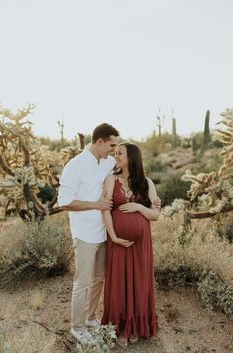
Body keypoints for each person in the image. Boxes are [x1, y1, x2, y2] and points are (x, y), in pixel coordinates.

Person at [57, 123, 132, 343]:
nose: (113, 149)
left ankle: (90, 318)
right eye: (111, 144)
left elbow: (128, 175)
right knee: (83, 282)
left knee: (100, 279)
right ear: (99, 141)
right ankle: (77, 326)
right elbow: (64, 202)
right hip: (85, 234)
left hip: (105, 233)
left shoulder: (109, 163)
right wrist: (96, 204)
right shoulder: (75, 165)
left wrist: (149, 199)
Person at [101, 142, 161, 348]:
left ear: (132, 157)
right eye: (115, 152)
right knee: (118, 283)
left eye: (120, 153)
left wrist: (137, 206)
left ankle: (135, 326)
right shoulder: (111, 179)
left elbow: (155, 215)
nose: (115, 156)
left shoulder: (147, 183)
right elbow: (105, 210)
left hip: (141, 243)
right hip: (118, 241)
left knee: (138, 281)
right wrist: (114, 236)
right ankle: (120, 328)